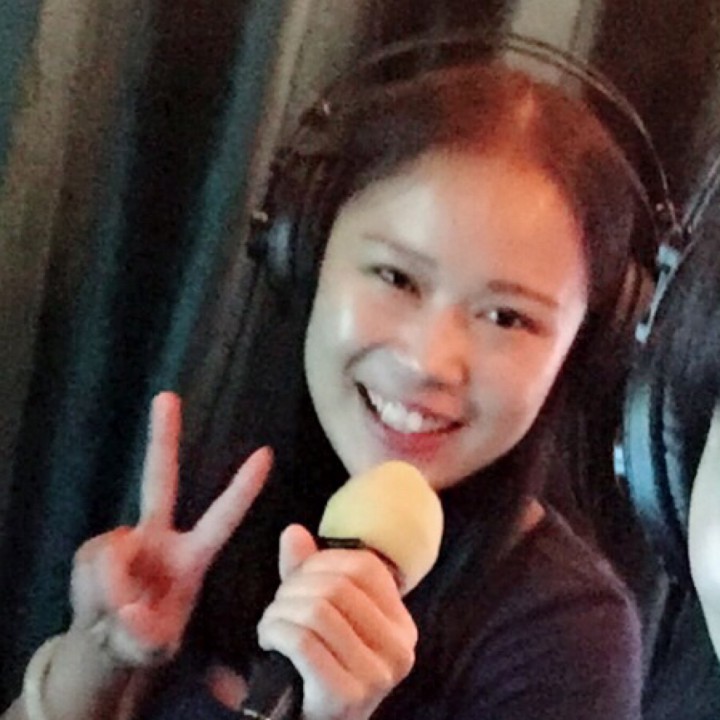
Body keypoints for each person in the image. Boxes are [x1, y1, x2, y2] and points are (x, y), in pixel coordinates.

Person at [2, 60, 645, 720]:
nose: (427, 362)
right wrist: (101, 658)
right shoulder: (218, 504)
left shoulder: (569, 639)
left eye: (507, 317)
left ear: (583, 349)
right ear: (304, 253)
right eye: (396, 277)